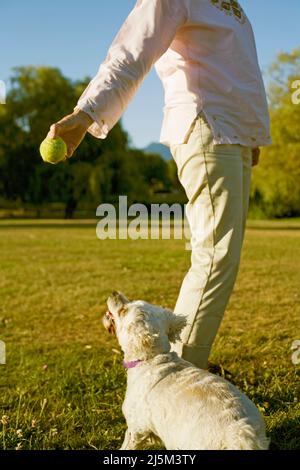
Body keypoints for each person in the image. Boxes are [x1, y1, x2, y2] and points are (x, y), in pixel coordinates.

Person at [47, 0, 271, 370]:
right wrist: (86, 113)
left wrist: (253, 133)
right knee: (215, 254)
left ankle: (180, 367)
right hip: (206, 124)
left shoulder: (232, 6)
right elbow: (131, 52)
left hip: (236, 135)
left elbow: (240, 69)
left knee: (222, 257)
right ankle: (179, 373)